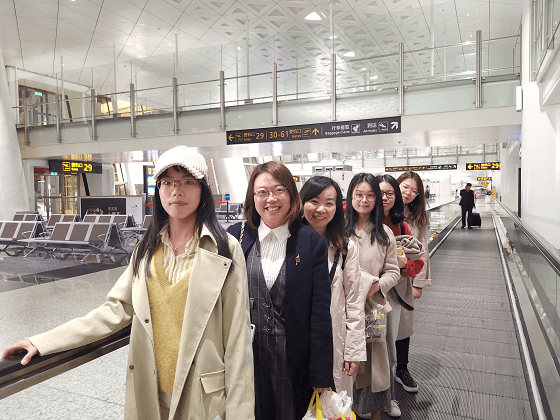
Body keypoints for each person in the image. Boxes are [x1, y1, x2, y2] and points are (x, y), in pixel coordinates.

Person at [2, 146, 255, 420]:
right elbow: (114, 311)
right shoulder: (147, 249)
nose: (176, 191)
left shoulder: (224, 249)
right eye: (167, 182)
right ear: (158, 190)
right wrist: (42, 342)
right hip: (150, 391)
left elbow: (237, 339)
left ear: (202, 189)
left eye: (187, 182)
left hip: (204, 396)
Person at [227, 162, 333, 420]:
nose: (271, 199)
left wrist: (321, 373)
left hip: (292, 359)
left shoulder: (310, 242)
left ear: (291, 195)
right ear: (253, 197)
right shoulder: (235, 238)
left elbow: (320, 312)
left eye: (279, 190)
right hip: (245, 358)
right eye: (262, 192)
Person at [300, 176, 366, 397]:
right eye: (314, 201)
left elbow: (354, 300)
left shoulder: (345, 247)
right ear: (302, 203)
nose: (321, 209)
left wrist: (353, 350)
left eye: (329, 203)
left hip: (334, 340)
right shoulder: (289, 243)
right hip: (296, 339)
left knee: (332, 404)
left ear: (337, 208)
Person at [346, 173, 400, 420]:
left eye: (370, 195)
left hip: (373, 307)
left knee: (377, 362)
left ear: (377, 200)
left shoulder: (384, 233)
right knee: (348, 359)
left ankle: (377, 412)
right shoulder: (339, 229)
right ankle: (348, 410)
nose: (364, 200)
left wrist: (376, 286)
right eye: (359, 194)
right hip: (343, 307)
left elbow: (393, 271)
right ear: (351, 196)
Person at [379, 174, 425, 417]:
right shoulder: (356, 221)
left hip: (397, 294)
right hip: (367, 296)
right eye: (379, 192)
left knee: (393, 343)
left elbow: (418, 262)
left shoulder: (403, 225)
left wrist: (403, 263)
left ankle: (389, 393)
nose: (384, 197)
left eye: (390, 193)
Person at [394, 171, 432, 395]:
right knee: (376, 327)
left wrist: (418, 283)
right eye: (404, 187)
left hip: (404, 278)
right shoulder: (381, 209)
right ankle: (376, 374)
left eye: (414, 190)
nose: (408, 193)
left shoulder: (416, 217)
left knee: (403, 326)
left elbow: (423, 250)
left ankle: (401, 369)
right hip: (378, 279)